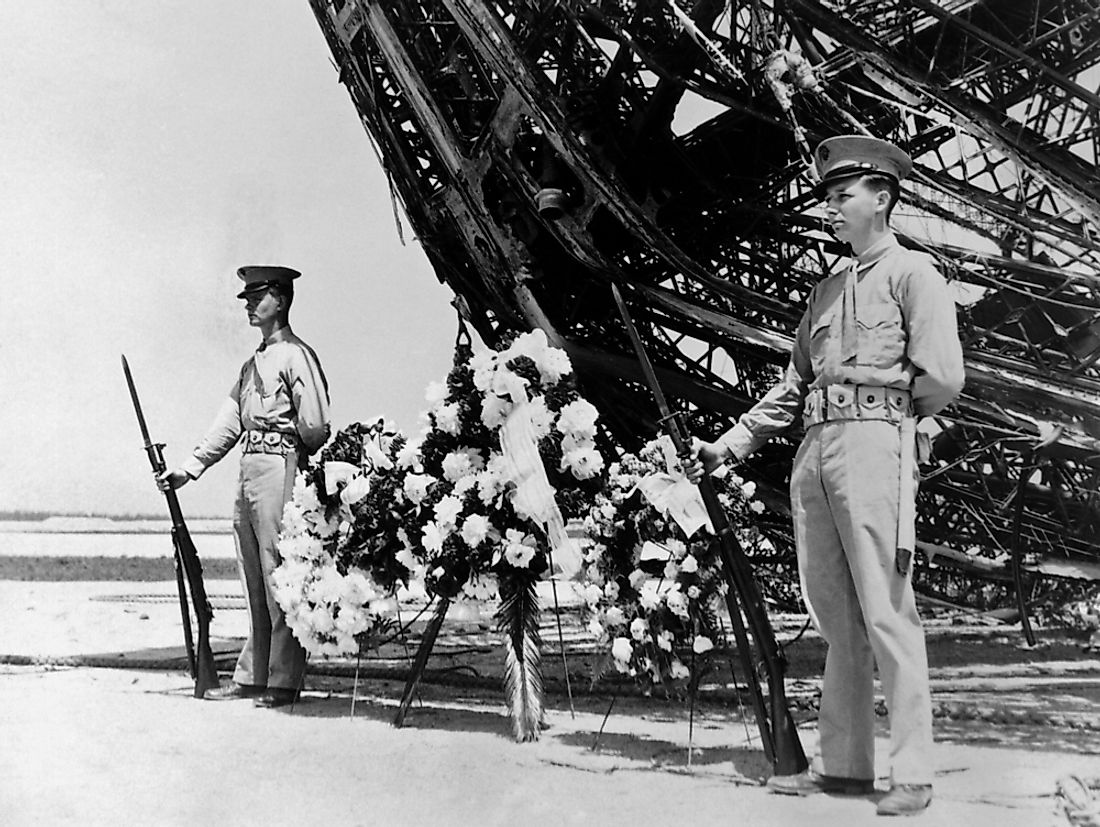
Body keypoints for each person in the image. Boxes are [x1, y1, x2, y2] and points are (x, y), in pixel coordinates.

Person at [688, 136, 965, 817]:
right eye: (828, 198)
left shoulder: (914, 275)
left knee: (888, 612)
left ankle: (913, 773)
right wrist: (728, 444)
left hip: (875, 446)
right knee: (839, 619)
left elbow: (945, 376)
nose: (831, 210)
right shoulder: (826, 290)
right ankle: (844, 766)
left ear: (883, 199)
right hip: (813, 451)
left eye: (843, 197)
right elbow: (792, 386)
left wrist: (900, 425)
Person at [158, 265, 331, 709]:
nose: (250, 305)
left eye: (258, 297)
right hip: (249, 468)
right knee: (252, 575)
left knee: (280, 573)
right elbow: (230, 421)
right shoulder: (252, 363)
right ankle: (254, 675)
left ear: (282, 299)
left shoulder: (297, 355)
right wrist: (189, 468)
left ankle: (284, 680)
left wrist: (291, 449)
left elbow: (315, 426)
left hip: (280, 465)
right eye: (248, 298)